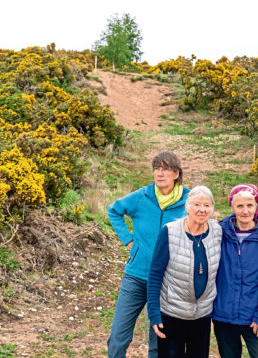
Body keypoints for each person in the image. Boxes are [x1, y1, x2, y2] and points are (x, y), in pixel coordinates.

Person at [107, 151, 189, 358]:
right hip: (136, 276)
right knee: (117, 338)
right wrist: (129, 240)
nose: (160, 173)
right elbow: (114, 210)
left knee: (159, 340)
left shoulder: (189, 200)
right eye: (157, 169)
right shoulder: (141, 196)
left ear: (176, 173)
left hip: (167, 280)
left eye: (165, 169)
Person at [147, 185, 223, 358]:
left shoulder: (217, 231)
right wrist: (154, 313)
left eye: (207, 205)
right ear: (187, 206)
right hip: (172, 313)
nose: (202, 210)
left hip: (202, 315)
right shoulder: (170, 231)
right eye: (197, 204)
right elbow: (155, 274)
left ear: (212, 208)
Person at [212, 184, 258, 358]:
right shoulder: (219, 232)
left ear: (256, 206)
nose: (245, 211)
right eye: (239, 206)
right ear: (232, 207)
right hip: (224, 316)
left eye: (250, 205)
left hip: (255, 317)